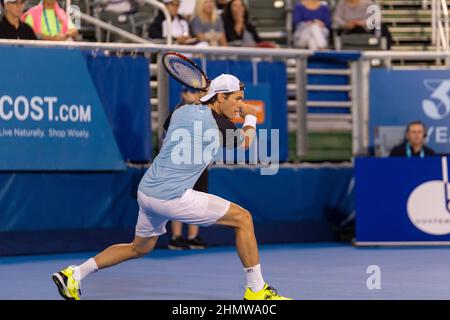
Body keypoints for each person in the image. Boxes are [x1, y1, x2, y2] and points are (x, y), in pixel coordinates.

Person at [51, 74, 291, 300]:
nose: (241, 104)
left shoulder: (182, 109)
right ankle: (256, 291)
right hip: (172, 197)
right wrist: (250, 117)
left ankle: (74, 274)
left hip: (147, 193)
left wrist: (199, 104)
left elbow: (170, 126)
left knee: (139, 247)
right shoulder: (221, 126)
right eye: (237, 99)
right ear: (220, 97)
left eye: (242, 100)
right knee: (243, 219)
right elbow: (246, 143)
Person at [165, 87, 208, 250]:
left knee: (198, 199)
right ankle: (176, 237)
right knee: (180, 200)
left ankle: (193, 236)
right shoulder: (180, 111)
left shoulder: (204, 111)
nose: (196, 95)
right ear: (183, 94)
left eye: (198, 92)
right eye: (191, 92)